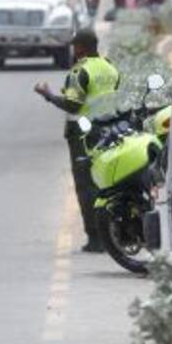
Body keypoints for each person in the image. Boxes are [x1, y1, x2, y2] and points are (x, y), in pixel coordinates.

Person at [34, 28, 121, 253]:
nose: (73, 50)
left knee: (86, 186)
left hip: (83, 135)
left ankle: (96, 238)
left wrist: (49, 95)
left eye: (75, 46)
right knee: (107, 181)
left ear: (80, 47)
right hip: (110, 129)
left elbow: (72, 104)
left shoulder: (79, 72)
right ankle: (114, 232)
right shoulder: (110, 67)